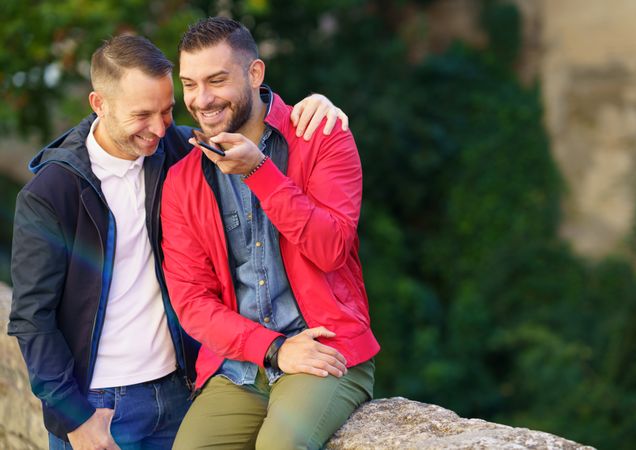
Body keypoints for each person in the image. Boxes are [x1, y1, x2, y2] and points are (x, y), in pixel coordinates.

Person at [8, 33, 349, 450]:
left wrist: (314, 107)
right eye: (142, 115)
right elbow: (31, 318)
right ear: (99, 104)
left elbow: (249, 118)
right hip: (98, 406)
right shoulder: (52, 193)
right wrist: (74, 418)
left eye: (167, 110)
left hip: (178, 392)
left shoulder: (173, 149)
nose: (158, 128)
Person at [160, 17, 380, 449]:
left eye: (217, 80)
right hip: (241, 364)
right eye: (189, 84)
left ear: (255, 73)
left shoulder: (322, 137)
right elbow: (192, 302)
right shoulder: (183, 180)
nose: (201, 100)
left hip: (325, 350)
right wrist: (273, 348)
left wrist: (260, 173)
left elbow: (332, 248)